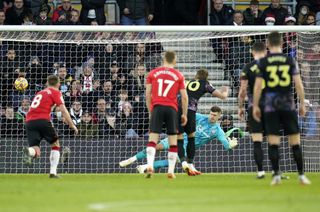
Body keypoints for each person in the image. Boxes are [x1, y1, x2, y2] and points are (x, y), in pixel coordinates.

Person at [253, 32, 311, 185]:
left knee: (273, 142)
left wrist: (255, 106)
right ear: (282, 43)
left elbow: (258, 86)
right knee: (295, 142)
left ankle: (276, 175)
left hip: (271, 106)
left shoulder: (263, 62)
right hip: (288, 105)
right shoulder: (290, 60)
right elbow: (298, 84)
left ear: (267, 44)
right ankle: (301, 176)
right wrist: (303, 103)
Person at [119, 106, 238, 174]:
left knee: (171, 162)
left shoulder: (218, 131)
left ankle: (145, 167)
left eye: (214, 115)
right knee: (157, 147)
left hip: (186, 148)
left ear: (219, 116)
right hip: (178, 137)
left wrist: (231, 145)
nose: (211, 116)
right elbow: (185, 115)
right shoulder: (201, 117)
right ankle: (131, 159)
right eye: (211, 114)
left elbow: (226, 146)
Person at [22, 75, 78, 178]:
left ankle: (29, 152)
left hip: (29, 121)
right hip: (43, 120)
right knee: (55, 144)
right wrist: (72, 124)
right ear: (58, 84)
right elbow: (63, 109)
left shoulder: (40, 92)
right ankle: (53, 172)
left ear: (47, 83)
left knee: (36, 151)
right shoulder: (55, 92)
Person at [144, 51, 188, 179]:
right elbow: (184, 97)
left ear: (164, 60)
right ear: (174, 60)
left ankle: (150, 165)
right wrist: (184, 114)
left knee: (152, 140)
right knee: (173, 141)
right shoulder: (179, 75)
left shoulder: (152, 73)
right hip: (171, 109)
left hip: (157, 108)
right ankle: (170, 171)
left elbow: (148, 95)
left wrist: (150, 111)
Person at [177, 69, 229, 175]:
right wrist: (225, 90)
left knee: (179, 138)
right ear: (206, 77)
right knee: (191, 137)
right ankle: (190, 163)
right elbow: (223, 96)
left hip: (177, 110)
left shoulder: (188, 82)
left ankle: (183, 162)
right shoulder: (205, 84)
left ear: (196, 76)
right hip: (190, 111)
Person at [238, 42, 267, 179]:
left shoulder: (248, 67)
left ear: (252, 52)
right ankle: (276, 171)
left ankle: (260, 171)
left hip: (253, 106)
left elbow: (243, 90)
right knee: (274, 139)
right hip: (272, 106)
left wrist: (240, 107)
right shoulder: (272, 65)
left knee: (257, 140)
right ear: (265, 51)